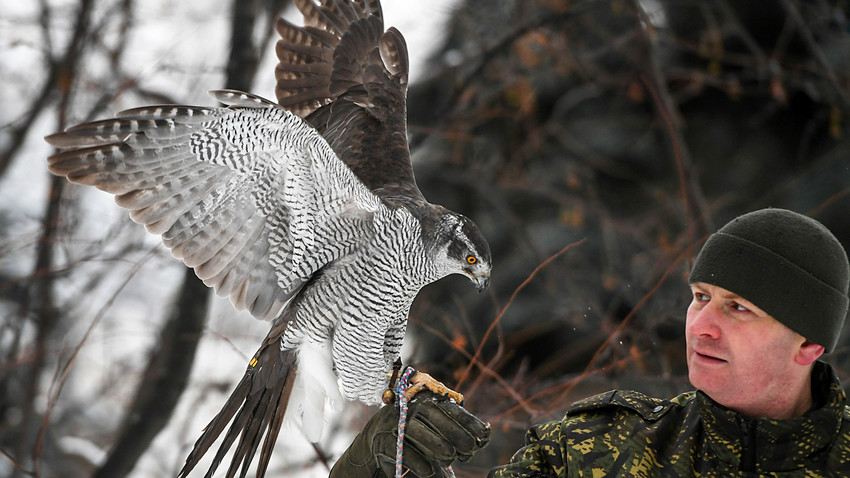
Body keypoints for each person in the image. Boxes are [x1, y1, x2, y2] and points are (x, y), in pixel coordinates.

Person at [329, 208, 850, 477]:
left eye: (739, 308)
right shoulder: (596, 451)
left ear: (809, 344)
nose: (701, 325)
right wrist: (376, 465)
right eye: (700, 297)